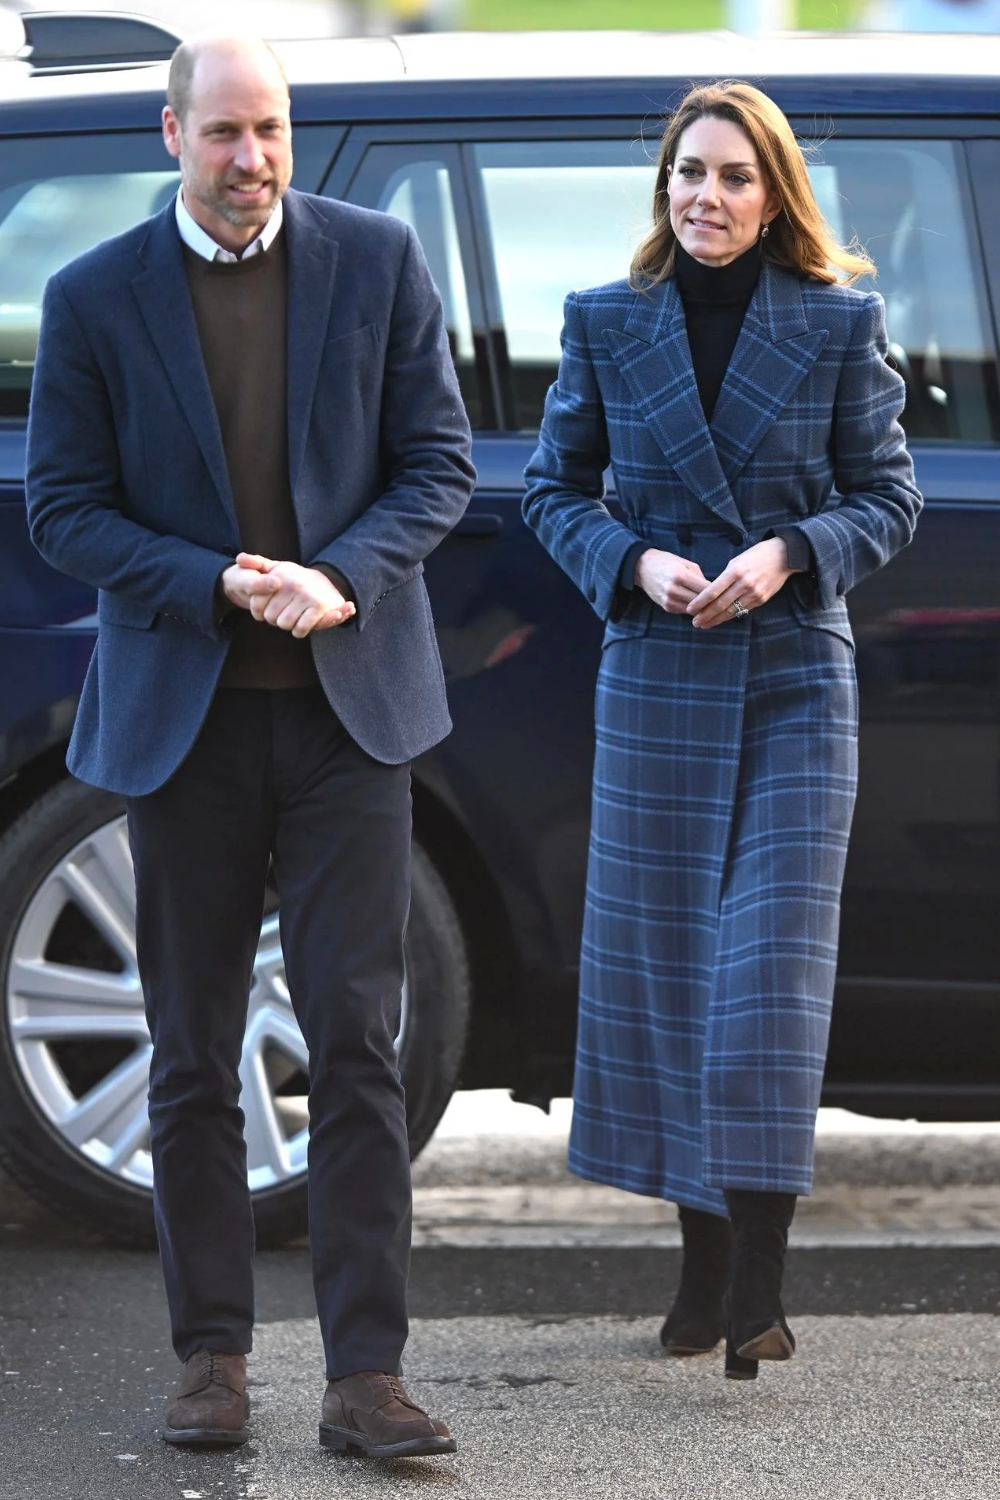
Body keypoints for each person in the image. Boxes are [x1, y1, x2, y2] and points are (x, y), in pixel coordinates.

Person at [26, 35, 474, 1455]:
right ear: (172, 137)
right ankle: (211, 1359)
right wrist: (211, 576)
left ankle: (366, 1374)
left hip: (352, 716)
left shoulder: (379, 260)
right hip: (188, 720)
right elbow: (65, 511)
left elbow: (439, 464)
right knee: (192, 1050)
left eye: (270, 131)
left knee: (355, 1040)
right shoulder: (93, 297)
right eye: (224, 134)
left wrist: (340, 576)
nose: (253, 159)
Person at [522, 81, 921, 1380]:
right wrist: (633, 565)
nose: (707, 195)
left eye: (735, 176)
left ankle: (759, 1285)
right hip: (655, 676)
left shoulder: (838, 321)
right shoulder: (605, 321)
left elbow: (888, 497)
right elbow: (551, 492)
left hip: (795, 678)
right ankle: (703, 1284)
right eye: (690, 172)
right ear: (666, 186)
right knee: (673, 987)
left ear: (774, 193)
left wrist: (793, 553)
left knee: (768, 988)